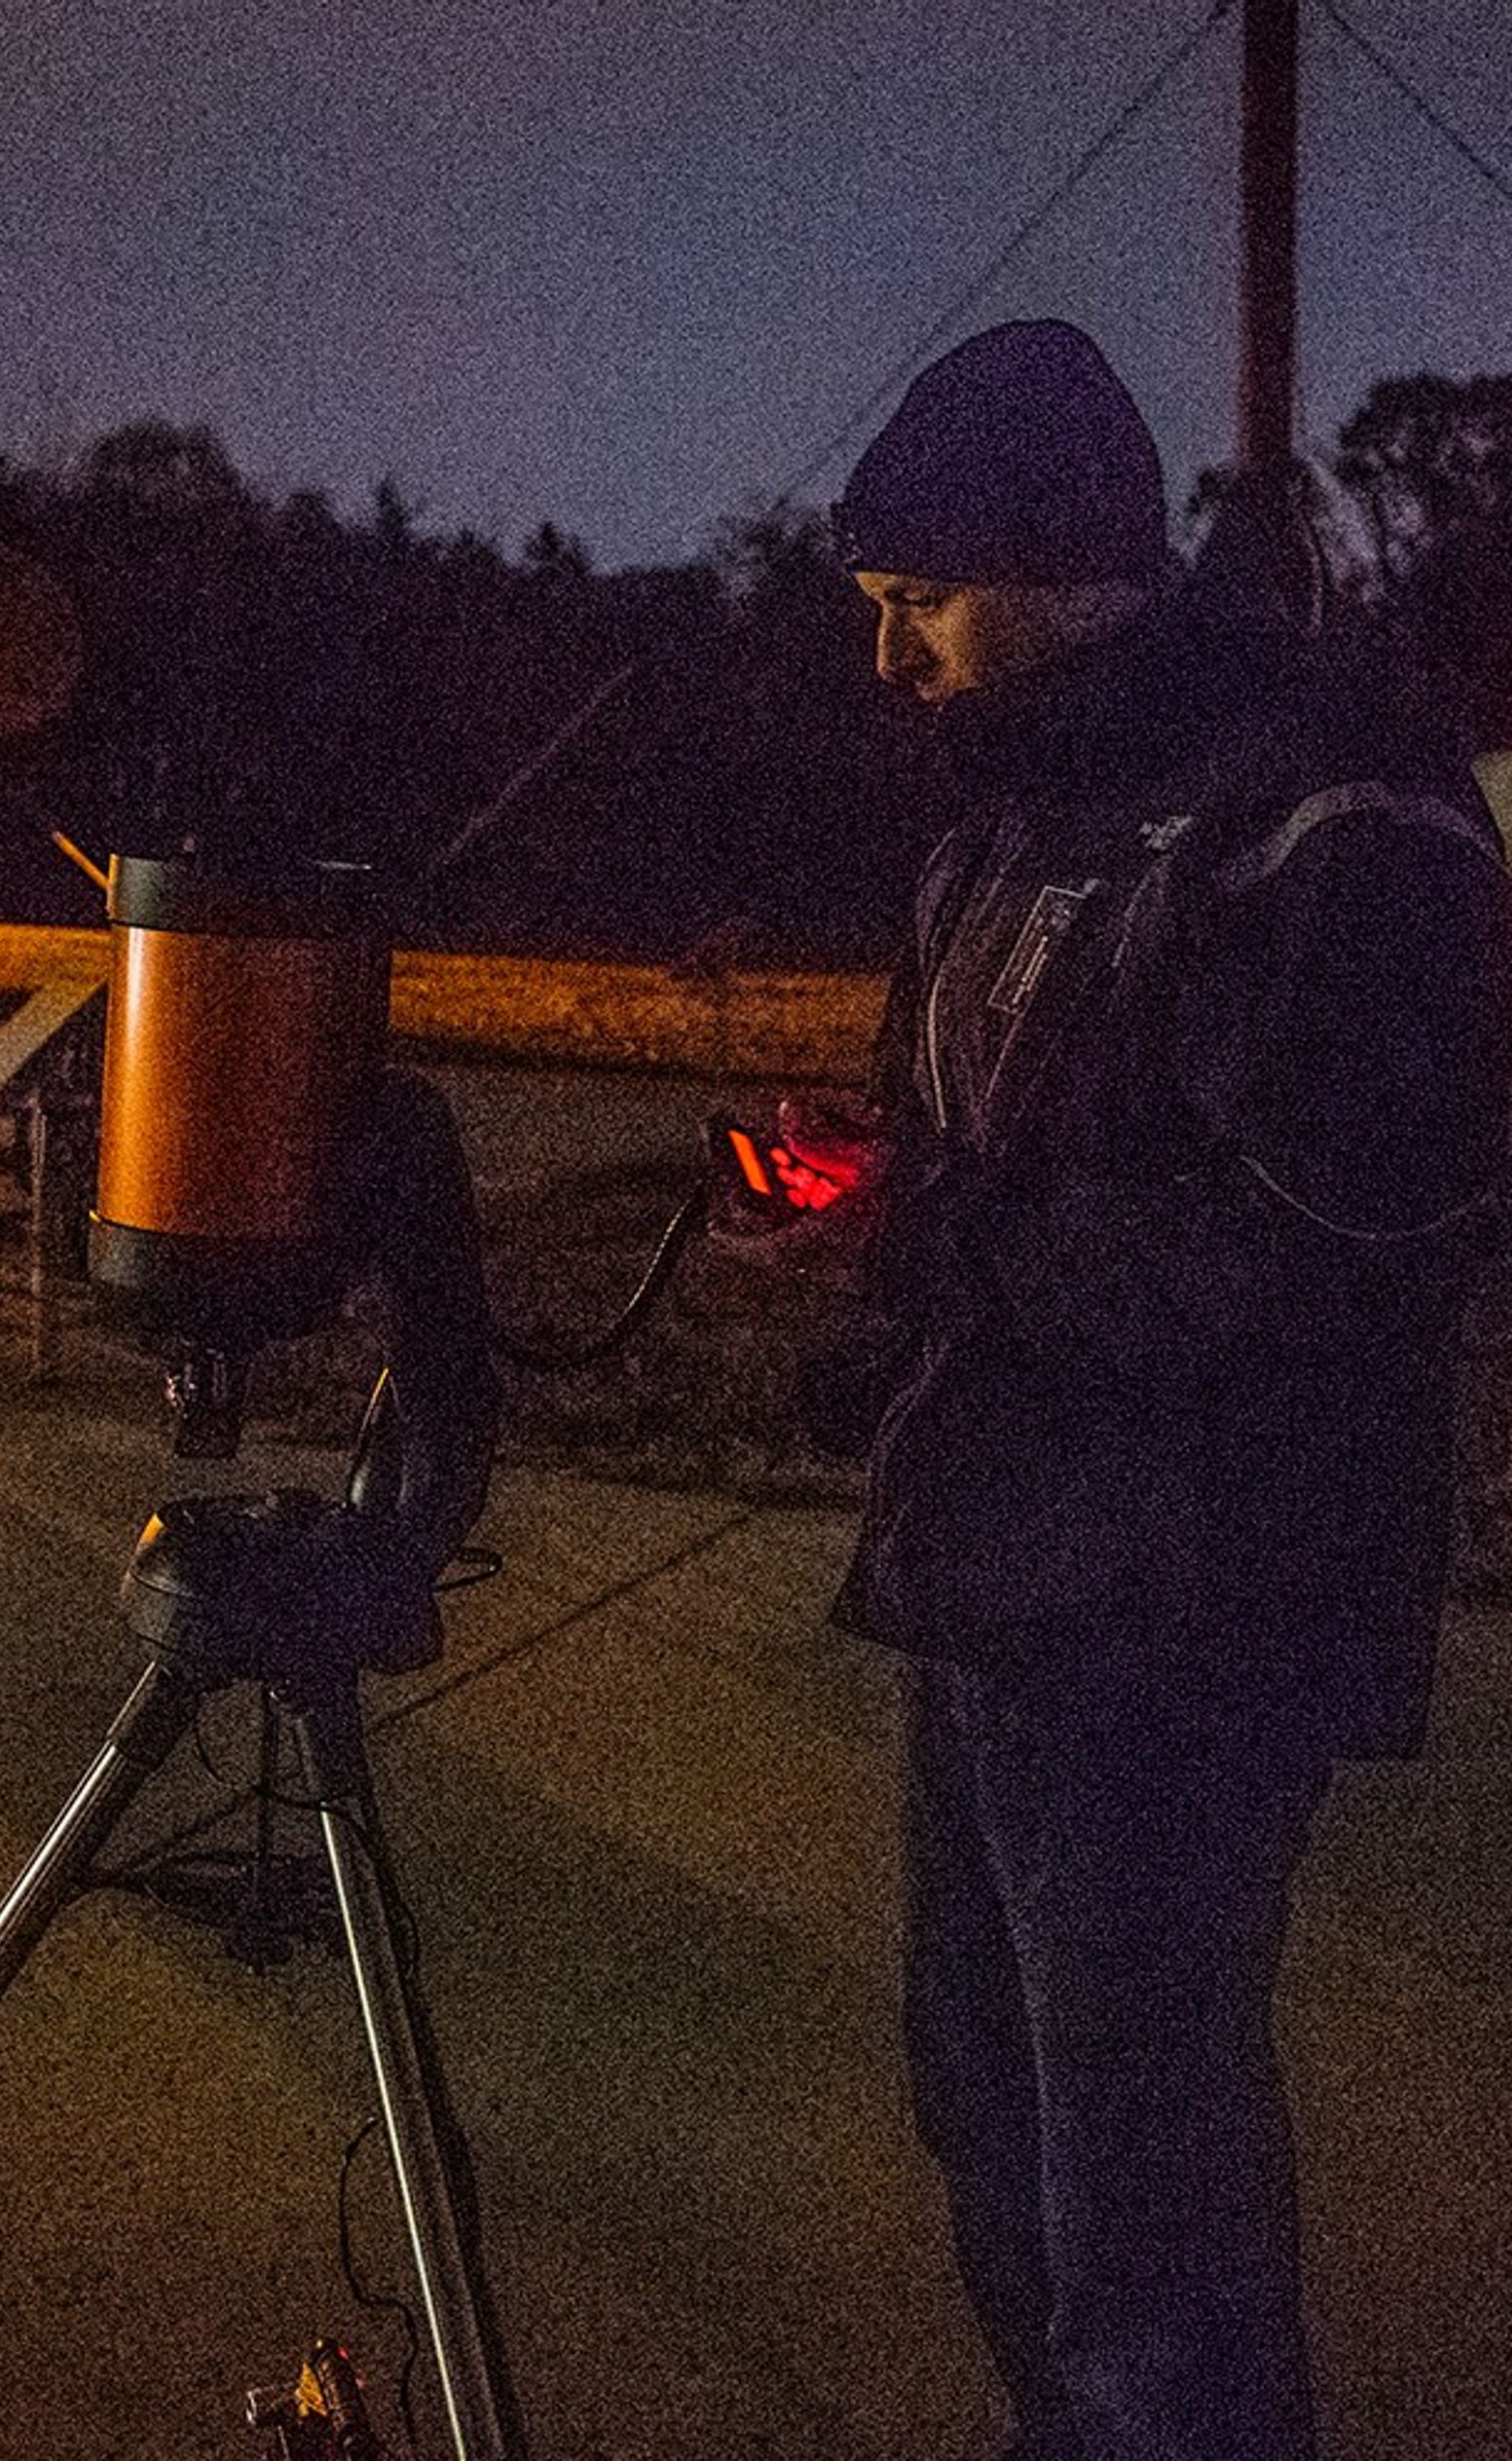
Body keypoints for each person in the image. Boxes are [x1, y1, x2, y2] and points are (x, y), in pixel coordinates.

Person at [792, 319, 1512, 2461]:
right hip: (1007, 1566)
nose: (894, 658)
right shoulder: (1017, 807)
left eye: (923, 602)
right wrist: (872, 1236)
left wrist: (957, 1259)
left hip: (1195, 1595)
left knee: (1140, 2172)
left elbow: (1328, 1232)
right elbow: (983, 1136)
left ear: (1064, 565)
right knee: (991, 2096)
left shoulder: (1330, 800)